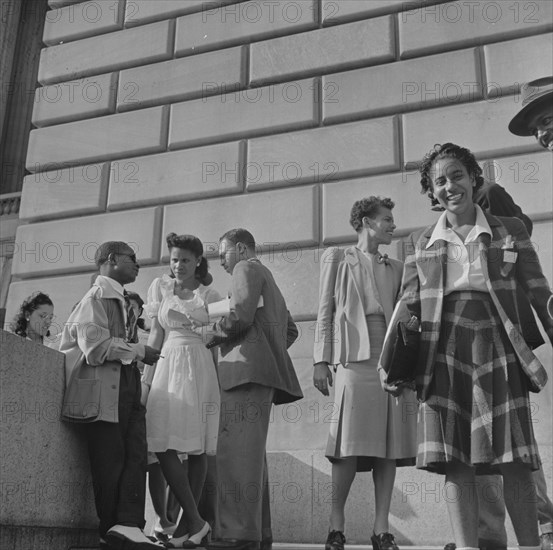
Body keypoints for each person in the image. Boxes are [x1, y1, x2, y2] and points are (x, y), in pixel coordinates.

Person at [379, 143, 553, 550]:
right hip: (442, 353)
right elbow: (408, 306)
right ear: (432, 192)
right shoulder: (418, 241)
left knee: (514, 460)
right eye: (439, 181)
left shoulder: (511, 230)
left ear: (474, 178)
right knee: (456, 463)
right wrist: (391, 365)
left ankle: (530, 546)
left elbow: (539, 292)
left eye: (457, 175)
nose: (449, 186)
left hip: (497, 347)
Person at [312, 197, 418, 550]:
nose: (392, 225)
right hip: (352, 359)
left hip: (390, 359)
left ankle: (381, 528)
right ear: (366, 222)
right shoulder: (338, 257)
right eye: (386, 219)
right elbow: (325, 310)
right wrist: (319, 360)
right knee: (347, 444)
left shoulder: (397, 265)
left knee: (388, 444)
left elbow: (408, 312)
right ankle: (336, 525)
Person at [59, 241, 162, 550]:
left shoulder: (118, 299)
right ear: (112, 260)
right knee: (111, 461)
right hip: (103, 391)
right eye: (131, 258)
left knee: (135, 454)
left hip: (125, 385)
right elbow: (95, 348)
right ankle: (111, 529)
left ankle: (129, 526)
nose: (137, 263)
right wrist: (141, 350)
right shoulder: (95, 297)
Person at [206, 228, 303, 550]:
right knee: (250, 457)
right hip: (261, 377)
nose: (221, 262)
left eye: (224, 254)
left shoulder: (245, 269)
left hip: (243, 375)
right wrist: (268, 350)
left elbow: (240, 316)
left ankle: (237, 534)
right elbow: (289, 331)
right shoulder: (268, 277)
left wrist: (206, 335)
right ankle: (257, 534)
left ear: (242, 248)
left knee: (235, 457)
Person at [143, 233, 220, 548]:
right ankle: (198, 522)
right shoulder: (159, 288)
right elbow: (154, 338)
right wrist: (145, 383)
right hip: (166, 364)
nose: (178, 265)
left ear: (198, 261)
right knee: (161, 442)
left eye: (185, 260)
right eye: (174, 259)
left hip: (198, 365)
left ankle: (184, 532)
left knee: (199, 447)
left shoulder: (210, 295)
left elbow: (215, 340)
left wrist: (219, 382)